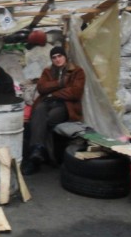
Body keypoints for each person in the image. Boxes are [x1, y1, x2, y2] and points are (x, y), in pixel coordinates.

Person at [23, 45, 85, 175]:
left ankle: (37, 155)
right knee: (38, 110)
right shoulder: (48, 71)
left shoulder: (77, 71)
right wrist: (60, 84)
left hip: (66, 105)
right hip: (47, 102)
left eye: (60, 56)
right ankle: (37, 151)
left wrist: (54, 93)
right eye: (54, 57)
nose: (57, 60)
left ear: (65, 57)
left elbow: (75, 92)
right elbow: (41, 88)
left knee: (46, 119)